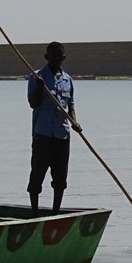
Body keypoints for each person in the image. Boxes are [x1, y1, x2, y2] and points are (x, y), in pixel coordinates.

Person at [27, 41, 82, 215]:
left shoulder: (68, 80)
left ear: (63, 58)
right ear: (46, 57)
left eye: (59, 56)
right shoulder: (37, 77)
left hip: (62, 136)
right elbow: (33, 103)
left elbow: (70, 106)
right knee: (37, 176)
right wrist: (39, 88)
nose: (56, 59)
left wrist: (75, 122)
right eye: (52, 55)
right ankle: (34, 212)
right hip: (42, 135)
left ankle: (55, 212)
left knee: (60, 179)